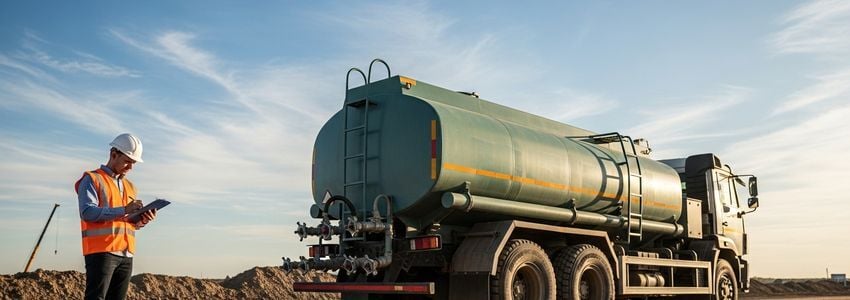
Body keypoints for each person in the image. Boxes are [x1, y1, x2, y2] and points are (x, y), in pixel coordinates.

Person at [75, 133, 156, 300]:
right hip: (101, 252)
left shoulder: (130, 186)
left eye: (133, 163)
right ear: (113, 155)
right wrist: (124, 209)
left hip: (126, 254)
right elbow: (87, 212)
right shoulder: (92, 179)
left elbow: (127, 222)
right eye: (127, 161)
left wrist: (142, 220)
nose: (130, 167)